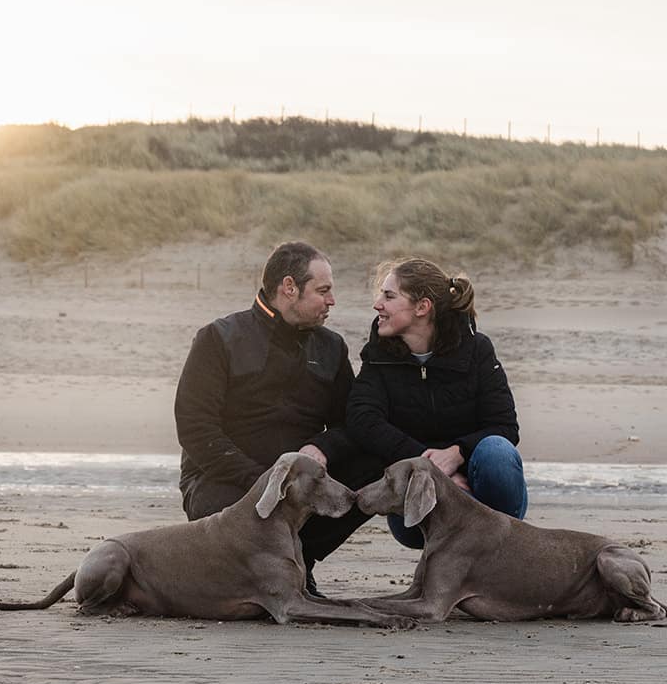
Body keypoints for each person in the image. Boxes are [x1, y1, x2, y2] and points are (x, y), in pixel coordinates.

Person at [174, 241, 379, 593]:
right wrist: (265, 481)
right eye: (323, 290)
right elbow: (195, 427)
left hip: (301, 483)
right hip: (224, 483)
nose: (332, 301)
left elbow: (352, 423)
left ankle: (301, 560)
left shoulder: (331, 347)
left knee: (374, 465)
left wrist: (322, 446)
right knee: (226, 503)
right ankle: (250, 570)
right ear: (289, 288)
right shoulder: (218, 338)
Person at [345, 257, 527, 548]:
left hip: (479, 485)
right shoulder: (379, 355)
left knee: (497, 451)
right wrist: (430, 469)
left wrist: (457, 453)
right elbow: (362, 420)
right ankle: (478, 556)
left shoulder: (477, 349)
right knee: (448, 505)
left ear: (422, 307)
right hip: (417, 493)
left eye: (389, 296)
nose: (377, 304)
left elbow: (504, 426)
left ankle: (504, 548)